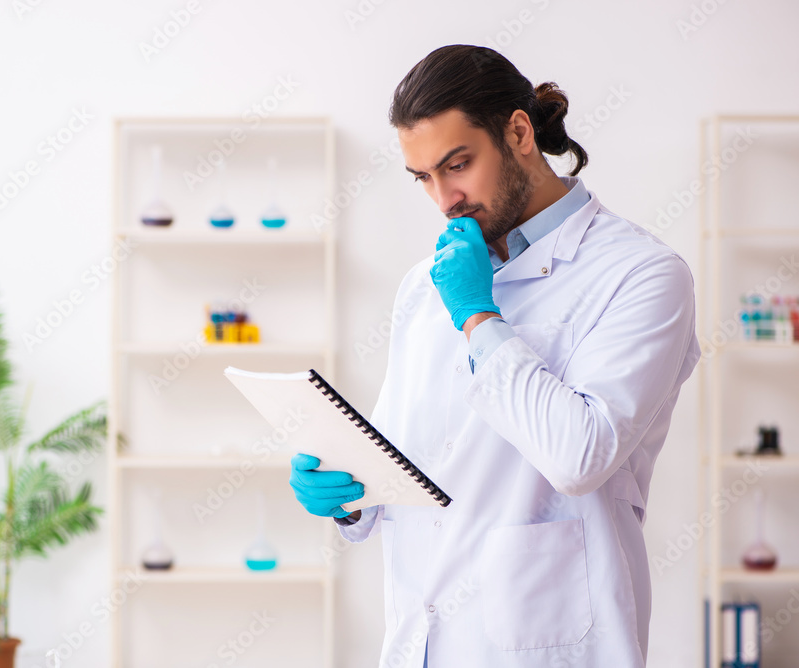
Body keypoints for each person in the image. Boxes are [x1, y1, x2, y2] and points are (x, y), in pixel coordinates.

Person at [288, 45, 701, 667]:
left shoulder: (642, 274)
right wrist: (353, 492)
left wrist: (478, 317)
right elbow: (409, 455)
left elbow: (580, 454)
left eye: (458, 165)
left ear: (518, 131)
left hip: (549, 646)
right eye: (423, 178)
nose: (444, 199)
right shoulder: (424, 284)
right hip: (421, 643)